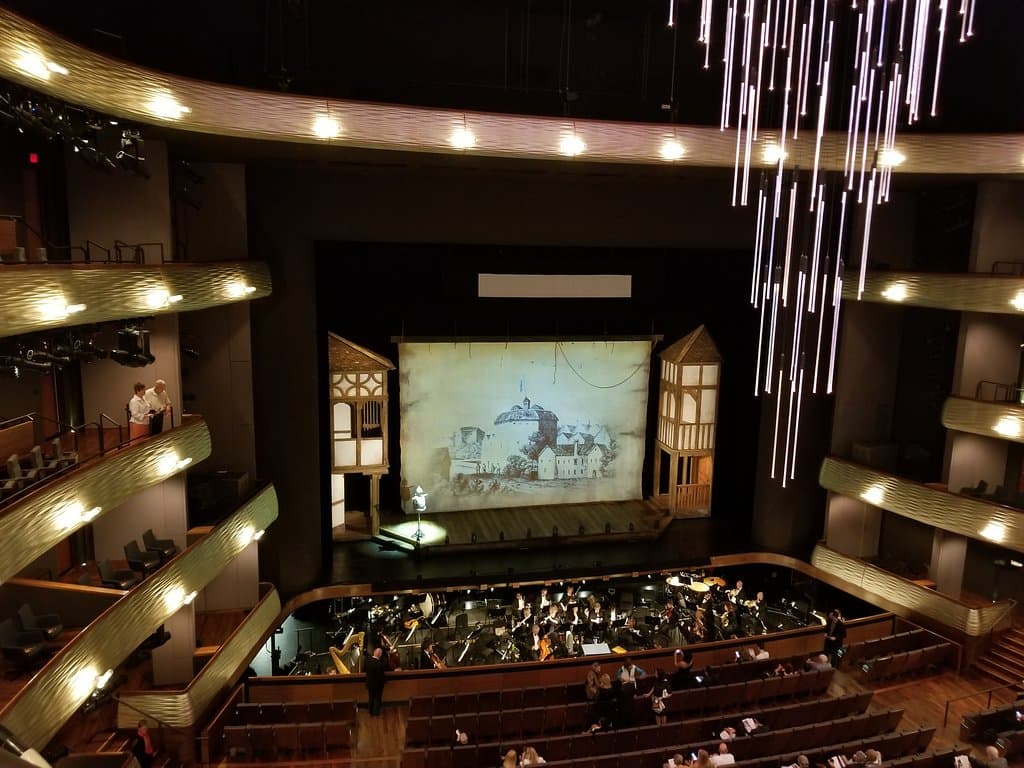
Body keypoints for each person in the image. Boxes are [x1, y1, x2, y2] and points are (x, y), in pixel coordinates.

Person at [364, 646, 386, 716]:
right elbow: (381, 676)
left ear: (374, 653)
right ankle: (376, 713)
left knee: (370, 697)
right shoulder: (380, 664)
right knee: (377, 699)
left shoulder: (368, 662)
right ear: (380, 655)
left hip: (369, 684)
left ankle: (370, 712)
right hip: (378, 685)